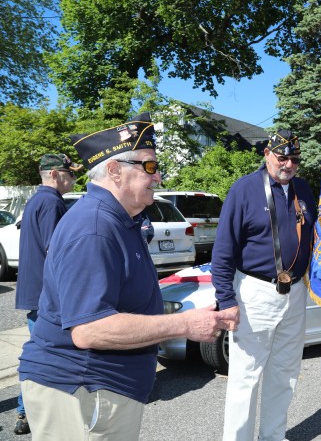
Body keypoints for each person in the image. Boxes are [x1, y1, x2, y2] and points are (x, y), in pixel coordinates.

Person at [18, 113, 223, 440]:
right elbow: (89, 330)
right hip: (82, 388)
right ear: (115, 171)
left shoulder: (119, 220)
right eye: (150, 167)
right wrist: (185, 324)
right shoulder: (94, 228)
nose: (158, 178)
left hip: (99, 387)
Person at [211, 129, 317, 441]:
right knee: (245, 377)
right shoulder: (245, 189)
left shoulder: (302, 189)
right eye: (282, 157)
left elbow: (314, 236)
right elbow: (223, 250)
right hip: (255, 293)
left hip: (295, 292)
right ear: (267, 155)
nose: (288, 164)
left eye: (294, 159)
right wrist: (226, 299)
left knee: (285, 373)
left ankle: (273, 435)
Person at [13, 154, 82, 435]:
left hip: (36, 291)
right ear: (55, 174)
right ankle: (27, 410)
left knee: (40, 351)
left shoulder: (37, 200)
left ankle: (24, 411)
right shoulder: (52, 202)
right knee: (46, 354)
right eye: (70, 173)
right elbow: (57, 251)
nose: (74, 179)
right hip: (47, 295)